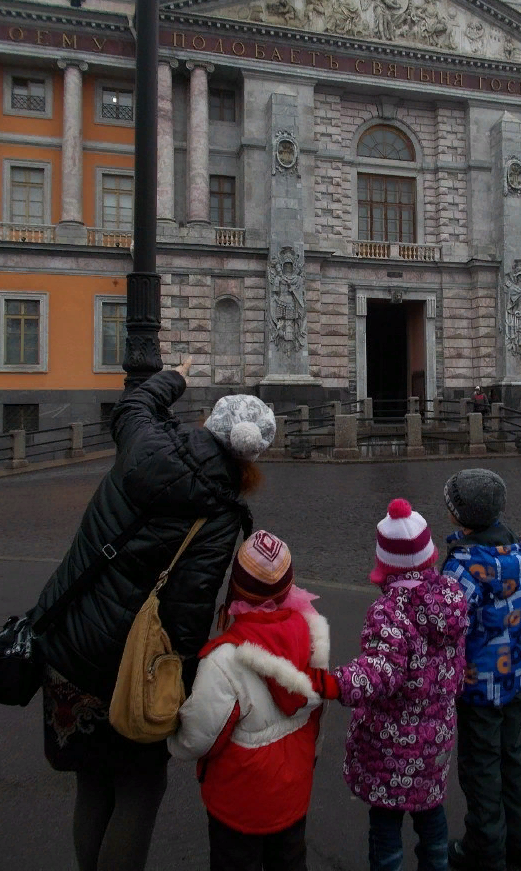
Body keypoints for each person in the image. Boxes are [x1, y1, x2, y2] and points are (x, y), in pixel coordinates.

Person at [30, 359, 276, 871]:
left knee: (91, 782)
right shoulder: (222, 512)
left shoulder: (143, 443)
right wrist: (180, 686)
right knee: (140, 788)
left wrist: (175, 375)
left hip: (69, 642)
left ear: (210, 420)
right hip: (131, 673)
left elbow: (134, 405)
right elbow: (187, 617)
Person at [311, 498, 469, 871]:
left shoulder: (389, 611)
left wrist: (335, 682)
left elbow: (381, 671)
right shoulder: (452, 599)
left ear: (384, 562)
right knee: (432, 815)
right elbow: (456, 663)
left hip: (391, 745)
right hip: (436, 738)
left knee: (386, 826)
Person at [168, 531, 329, 871]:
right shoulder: (313, 632)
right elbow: (317, 716)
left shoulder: (224, 661)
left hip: (239, 804)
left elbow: (198, 737)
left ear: (237, 587)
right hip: (292, 793)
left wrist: (175, 742)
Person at [441, 469, 521, 871]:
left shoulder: (462, 568)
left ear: (457, 515)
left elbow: (446, 626)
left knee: (480, 772)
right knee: (512, 762)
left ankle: (484, 850)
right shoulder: (517, 554)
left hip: (477, 688)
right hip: (512, 679)